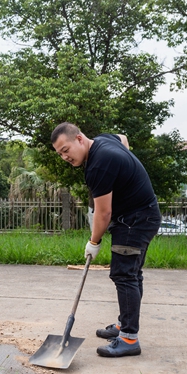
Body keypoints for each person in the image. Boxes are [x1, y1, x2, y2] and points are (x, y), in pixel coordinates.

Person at [50, 122, 161, 357]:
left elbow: (103, 213)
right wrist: (126, 172)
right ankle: (124, 325)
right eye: (59, 154)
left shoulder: (99, 165)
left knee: (124, 275)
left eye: (66, 150)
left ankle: (130, 339)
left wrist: (94, 242)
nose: (64, 157)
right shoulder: (103, 141)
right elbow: (123, 137)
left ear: (79, 139)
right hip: (142, 215)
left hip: (135, 220)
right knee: (131, 274)